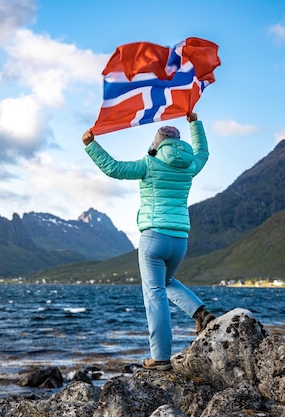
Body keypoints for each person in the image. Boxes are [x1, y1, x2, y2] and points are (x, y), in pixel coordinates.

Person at [82, 112, 216, 371]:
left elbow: (114, 168)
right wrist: (194, 123)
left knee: (155, 294)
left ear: (157, 143)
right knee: (165, 283)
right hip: (180, 240)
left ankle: (161, 358)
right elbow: (203, 152)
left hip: (154, 237)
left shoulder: (149, 163)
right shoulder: (190, 166)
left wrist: (91, 144)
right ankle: (200, 314)